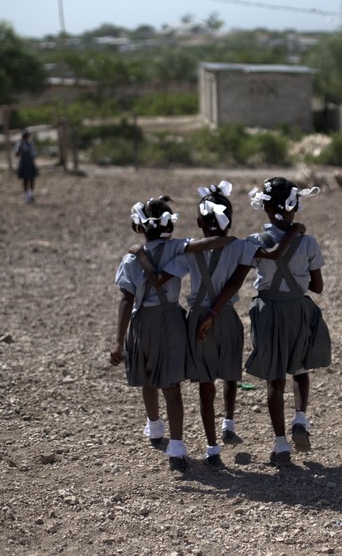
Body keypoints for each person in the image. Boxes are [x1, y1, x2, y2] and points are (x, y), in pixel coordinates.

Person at [133, 182, 306, 468]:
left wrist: (140, 253)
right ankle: (229, 421)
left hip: (197, 320)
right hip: (226, 317)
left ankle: (212, 449)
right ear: (231, 218)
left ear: (200, 222)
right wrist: (294, 229)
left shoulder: (190, 251)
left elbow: (160, 278)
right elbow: (273, 254)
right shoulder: (241, 246)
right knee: (230, 375)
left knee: (205, 385)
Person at [197, 177, 330, 467]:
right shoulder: (308, 242)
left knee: (275, 378)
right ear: (296, 206)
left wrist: (213, 310)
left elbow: (236, 281)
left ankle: (281, 445)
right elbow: (317, 287)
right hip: (298, 310)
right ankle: (300, 418)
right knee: (300, 368)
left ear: (266, 209)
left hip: (268, 311)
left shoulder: (254, 242)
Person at [110, 196, 235, 471]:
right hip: (173, 321)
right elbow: (209, 244)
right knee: (172, 385)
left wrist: (118, 339)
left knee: (147, 375)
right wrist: (227, 237)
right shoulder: (179, 248)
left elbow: (125, 299)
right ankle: (176, 447)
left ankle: (154, 426)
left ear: (141, 227)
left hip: (144, 321)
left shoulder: (130, 258)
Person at [15, 130, 38, 203]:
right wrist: (20, 148)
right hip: (24, 163)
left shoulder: (30, 144)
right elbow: (17, 154)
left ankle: (30, 195)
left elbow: (33, 153)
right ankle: (27, 196)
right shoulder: (20, 144)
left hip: (29, 163)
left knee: (31, 179)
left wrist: (34, 155)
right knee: (25, 180)